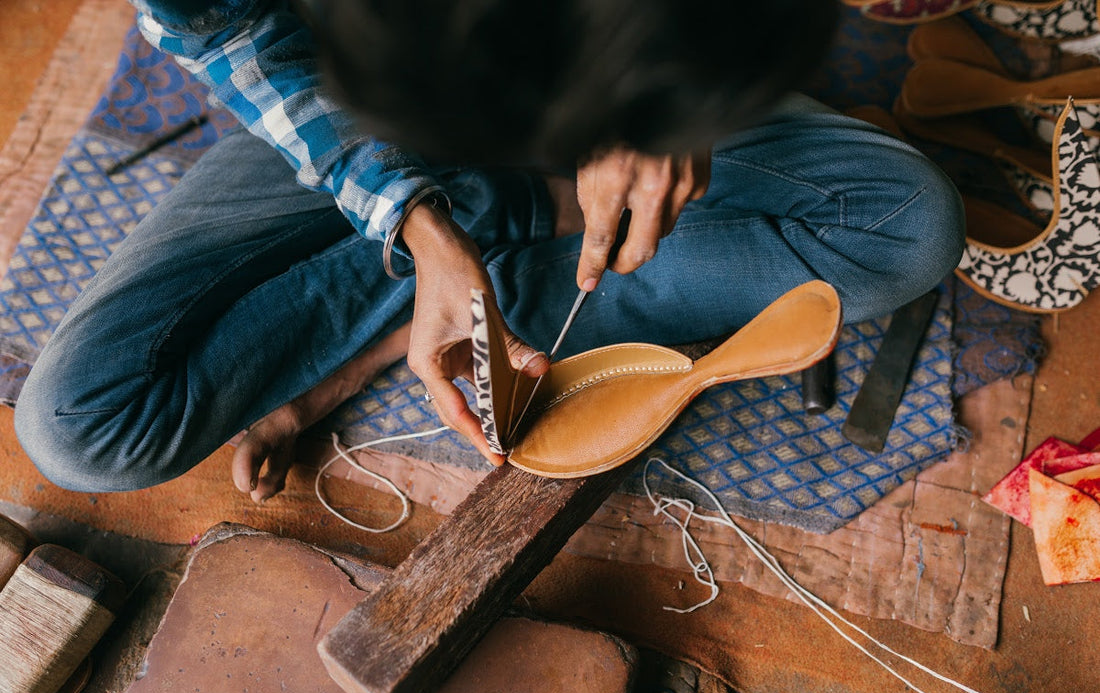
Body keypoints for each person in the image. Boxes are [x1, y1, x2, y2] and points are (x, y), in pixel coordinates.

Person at [13, 0, 966, 504]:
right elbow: (244, 42)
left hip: (604, 53)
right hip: (365, 112)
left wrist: (662, 103)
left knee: (912, 224)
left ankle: (455, 274)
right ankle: (489, 233)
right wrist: (417, 218)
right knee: (80, 425)